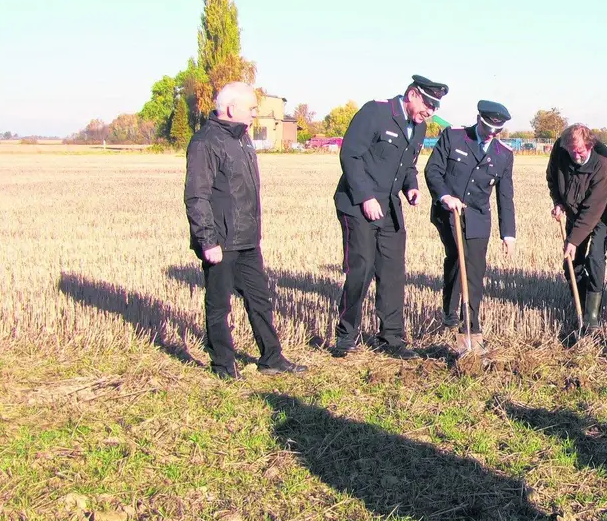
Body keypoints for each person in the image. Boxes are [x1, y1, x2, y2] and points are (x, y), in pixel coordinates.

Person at [183, 81, 306, 379]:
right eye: (250, 108)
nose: (254, 113)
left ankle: (272, 358)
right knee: (219, 305)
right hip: (221, 241)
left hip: (248, 239)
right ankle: (223, 365)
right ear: (230, 108)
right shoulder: (205, 142)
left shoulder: (243, 139)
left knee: (260, 299)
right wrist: (207, 241)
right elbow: (196, 196)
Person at [330, 74, 447, 359]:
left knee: (393, 273)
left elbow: (408, 166)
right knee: (361, 269)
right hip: (357, 203)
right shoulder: (376, 112)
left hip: (390, 207)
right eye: (427, 105)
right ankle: (346, 336)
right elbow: (350, 156)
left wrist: (411, 187)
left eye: (435, 108)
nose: (430, 112)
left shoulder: (418, 127)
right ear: (412, 95)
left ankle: (391, 338)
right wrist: (366, 196)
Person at [425, 100, 518, 352]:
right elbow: (433, 171)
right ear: (478, 119)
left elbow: (505, 197)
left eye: (497, 130)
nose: (491, 134)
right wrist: (445, 196)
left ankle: (471, 328)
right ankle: (450, 311)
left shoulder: (503, 155)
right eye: (488, 128)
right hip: (448, 211)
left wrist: (508, 234)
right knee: (458, 256)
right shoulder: (454, 137)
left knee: (475, 269)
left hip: (478, 216)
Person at [547, 123, 607, 336]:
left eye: (580, 151)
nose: (575, 155)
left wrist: (574, 240)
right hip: (574, 209)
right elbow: (552, 177)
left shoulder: (604, 162)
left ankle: (591, 318)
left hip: (603, 210)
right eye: (571, 151)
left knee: (595, 258)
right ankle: (580, 304)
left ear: (590, 145)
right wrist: (558, 202)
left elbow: (593, 209)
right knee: (571, 262)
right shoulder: (560, 149)